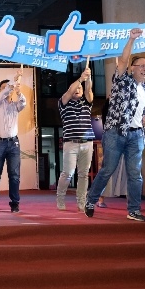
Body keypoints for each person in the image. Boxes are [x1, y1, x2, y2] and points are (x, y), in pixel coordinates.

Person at [84, 28, 145, 222]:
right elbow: (122, 60)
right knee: (108, 169)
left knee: (135, 174)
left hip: (136, 135)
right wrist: (131, 40)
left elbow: (140, 110)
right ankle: (91, 200)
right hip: (115, 133)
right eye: (142, 66)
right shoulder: (123, 80)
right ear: (132, 67)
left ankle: (134, 210)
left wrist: (144, 119)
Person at [55, 66, 95, 212]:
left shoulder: (87, 103)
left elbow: (89, 91)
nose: (78, 89)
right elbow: (69, 92)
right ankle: (60, 198)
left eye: (80, 88)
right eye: (76, 88)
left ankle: (81, 201)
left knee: (84, 174)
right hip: (71, 143)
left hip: (87, 143)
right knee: (67, 173)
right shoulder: (63, 103)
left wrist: (88, 77)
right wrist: (80, 79)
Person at [0, 72, 27, 212]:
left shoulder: (15, 105)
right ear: (0, 91)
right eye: (4, 88)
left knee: (14, 175)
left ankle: (15, 202)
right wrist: (13, 81)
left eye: (8, 88)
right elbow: (5, 91)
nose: (7, 90)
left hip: (14, 144)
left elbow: (24, 102)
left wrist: (18, 91)